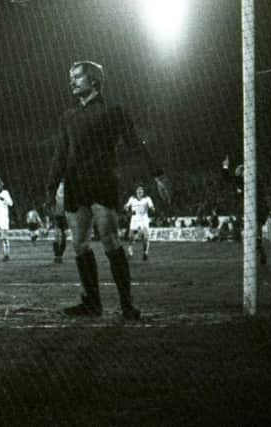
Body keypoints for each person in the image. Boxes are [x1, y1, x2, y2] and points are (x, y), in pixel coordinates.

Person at [46, 60, 170, 320]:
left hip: (102, 181)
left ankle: (126, 304)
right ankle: (92, 304)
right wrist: (51, 187)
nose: (72, 81)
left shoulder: (113, 111)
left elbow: (134, 143)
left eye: (77, 76)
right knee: (79, 244)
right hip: (75, 184)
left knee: (110, 240)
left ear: (93, 80)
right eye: (71, 77)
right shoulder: (67, 117)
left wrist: (157, 173)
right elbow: (60, 154)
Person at [222, 155, 267, 264]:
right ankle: (260, 249)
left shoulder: (245, 180)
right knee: (256, 231)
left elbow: (227, 177)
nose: (237, 173)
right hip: (257, 208)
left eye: (239, 171)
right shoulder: (244, 181)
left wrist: (225, 166)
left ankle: (257, 246)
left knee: (254, 229)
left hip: (258, 207)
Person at [124, 185, 155, 261]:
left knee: (146, 237)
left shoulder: (147, 199)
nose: (140, 192)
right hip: (134, 219)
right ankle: (130, 252)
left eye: (141, 191)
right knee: (131, 237)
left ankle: (145, 253)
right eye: (138, 191)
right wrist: (126, 208)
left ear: (143, 192)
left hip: (144, 219)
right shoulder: (132, 199)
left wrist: (152, 208)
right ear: (136, 192)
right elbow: (126, 206)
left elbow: (151, 206)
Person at [52, 180, 68, 263]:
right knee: (58, 235)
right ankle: (58, 255)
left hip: (65, 214)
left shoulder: (68, 187)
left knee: (62, 236)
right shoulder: (55, 187)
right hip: (58, 214)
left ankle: (59, 255)